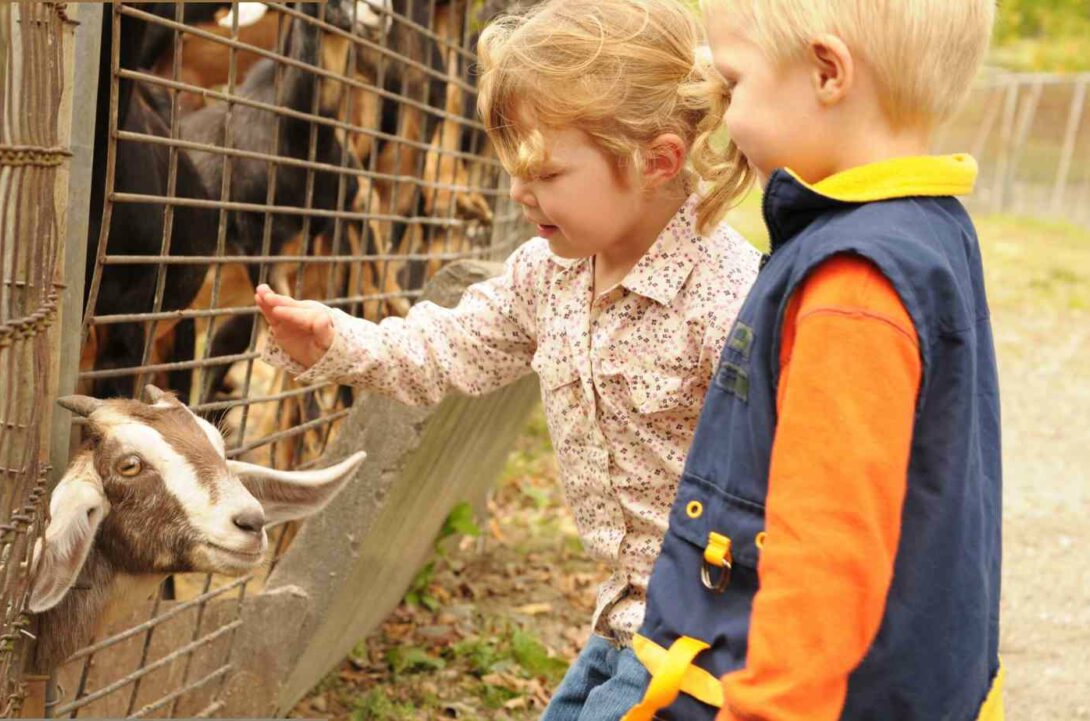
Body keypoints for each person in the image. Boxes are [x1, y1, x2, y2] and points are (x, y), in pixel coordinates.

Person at [256, 1, 760, 718]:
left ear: (658, 160)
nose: (520, 194)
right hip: (621, 613)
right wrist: (340, 342)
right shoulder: (548, 274)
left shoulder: (728, 300)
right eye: (514, 171)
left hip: (702, 630)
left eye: (547, 174)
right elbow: (447, 349)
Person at [621, 2, 1003, 720]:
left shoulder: (852, 284)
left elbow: (826, 555)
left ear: (826, 72)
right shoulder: (931, 228)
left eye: (734, 86)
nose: (725, 118)